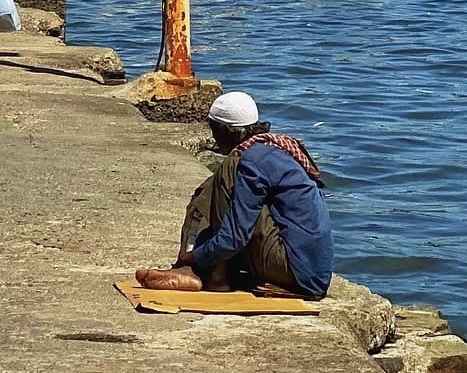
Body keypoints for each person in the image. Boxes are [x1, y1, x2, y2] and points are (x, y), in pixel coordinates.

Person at [135, 90, 332, 300]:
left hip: (297, 272)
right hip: (312, 273)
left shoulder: (250, 160)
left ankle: (215, 275)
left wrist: (192, 258)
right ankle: (204, 268)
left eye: (213, 130)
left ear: (224, 130)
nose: (213, 138)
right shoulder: (273, 150)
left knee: (227, 170)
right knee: (223, 189)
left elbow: (234, 237)